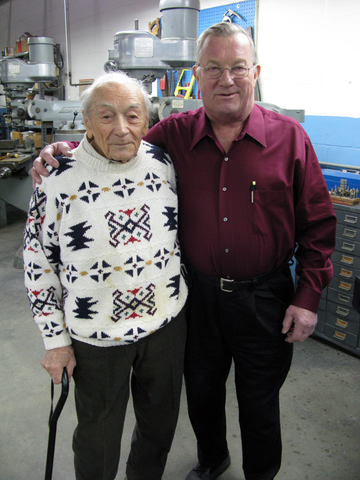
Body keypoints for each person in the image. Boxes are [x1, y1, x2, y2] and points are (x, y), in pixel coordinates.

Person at [31, 22, 337, 480]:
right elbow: (115, 145)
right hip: (199, 299)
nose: (226, 80)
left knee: (259, 400)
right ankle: (213, 462)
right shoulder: (172, 136)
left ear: (255, 71)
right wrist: (62, 152)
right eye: (213, 69)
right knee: (202, 393)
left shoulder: (291, 139)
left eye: (237, 68)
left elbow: (319, 224)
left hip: (265, 300)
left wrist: (307, 297)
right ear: (196, 75)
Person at [24, 71, 188, 480]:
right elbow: (37, 262)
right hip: (95, 335)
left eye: (133, 116)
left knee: (159, 425)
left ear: (146, 122)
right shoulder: (57, 178)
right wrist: (55, 340)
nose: (121, 129)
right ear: (86, 123)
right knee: (96, 438)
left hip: (166, 324)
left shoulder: (164, 164)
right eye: (106, 116)